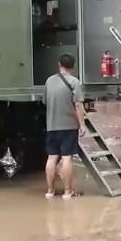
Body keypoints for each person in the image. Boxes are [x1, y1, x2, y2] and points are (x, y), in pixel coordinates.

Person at [42, 54, 86, 199]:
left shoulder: (49, 81)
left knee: (51, 157)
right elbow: (78, 105)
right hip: (68, 126)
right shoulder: (74, 82)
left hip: (51, 126)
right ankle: (68, 191)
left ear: (59, 64)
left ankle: (50, 191)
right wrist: (82, 124)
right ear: (73, 66)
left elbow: (45, 101)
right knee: (67, 158)